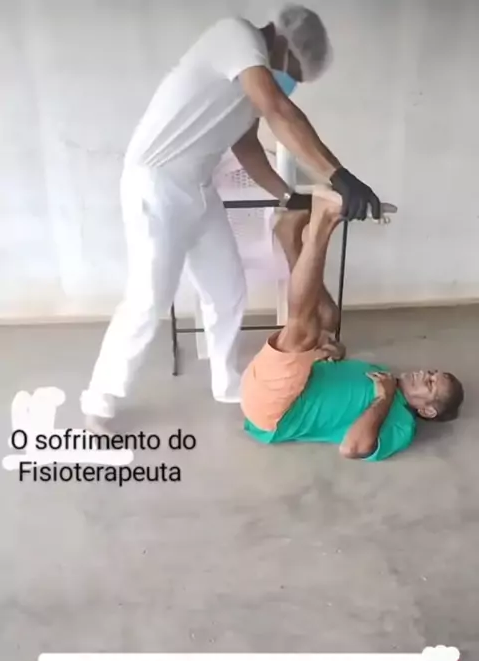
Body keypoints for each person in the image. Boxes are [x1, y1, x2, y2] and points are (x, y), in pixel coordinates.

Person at [80, 4, 383, 432]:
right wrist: (339, 175)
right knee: (148, 298)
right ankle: (100, 400)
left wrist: (289, 196)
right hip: (156, 184)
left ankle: (226, 382)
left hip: (198, 188)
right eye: (293, 73)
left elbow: (247, 148)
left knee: (227, 289)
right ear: (283, 44)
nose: (291, 83)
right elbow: (278, 109)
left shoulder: (246, 90)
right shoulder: (235, 36)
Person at [241, 188, 464, 461]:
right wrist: (331, 355)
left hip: (274, 410)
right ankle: (290, 237)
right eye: (431, 372)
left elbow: (352, 449)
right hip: (284, 384)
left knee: (306, 329)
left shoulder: (401, 424)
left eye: (429, 383)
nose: (422, 373)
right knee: (328, 317)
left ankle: (323, 223)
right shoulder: (384, 374)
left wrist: (384, 399)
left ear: (427, 410)